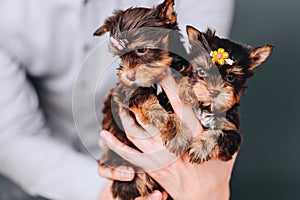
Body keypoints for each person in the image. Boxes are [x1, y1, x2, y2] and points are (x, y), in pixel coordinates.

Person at [0, 0, 235, 199]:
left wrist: (202, 186)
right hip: (46, 177)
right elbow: (11, 135)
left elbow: (199, 74)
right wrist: (105, 191)